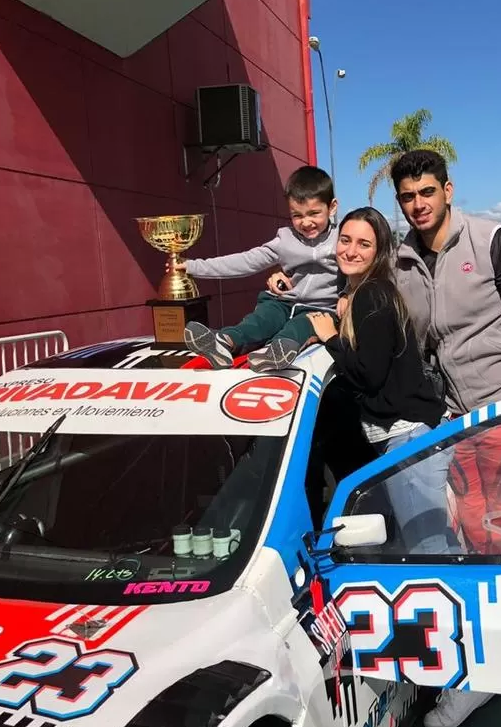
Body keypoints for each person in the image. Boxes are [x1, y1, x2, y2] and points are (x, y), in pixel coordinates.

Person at [392, 149, 501, 727]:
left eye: (427, 192)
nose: (419, 205)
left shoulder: (493, 240)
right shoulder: (402, 258)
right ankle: (487, 669)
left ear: (448, 189)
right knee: (469, 544)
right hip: (453, 419)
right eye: (408, 197)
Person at [305, 207, 448, 554]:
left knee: (428, 547)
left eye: (364, 244)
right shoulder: (366, 292)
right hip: (403, 435)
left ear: (379, 251)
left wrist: (329, 339)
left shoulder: (372, 294)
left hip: (407, 437)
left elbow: (369, 374)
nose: (351, 250)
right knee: (416, 540)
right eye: (346, 240)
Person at [180, 166, 340, 372]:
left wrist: (346, 295)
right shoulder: (285, 239)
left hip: (320, 310)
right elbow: (246, 261)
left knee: (299, 327)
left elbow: (361, 271)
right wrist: (193, 267)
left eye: (314, 213)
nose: (306, 222)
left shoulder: (342, 239)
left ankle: (275, 351)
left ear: (332, 207)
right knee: (259, 321)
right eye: (297, 215)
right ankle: (223, 342)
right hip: (282, 302)